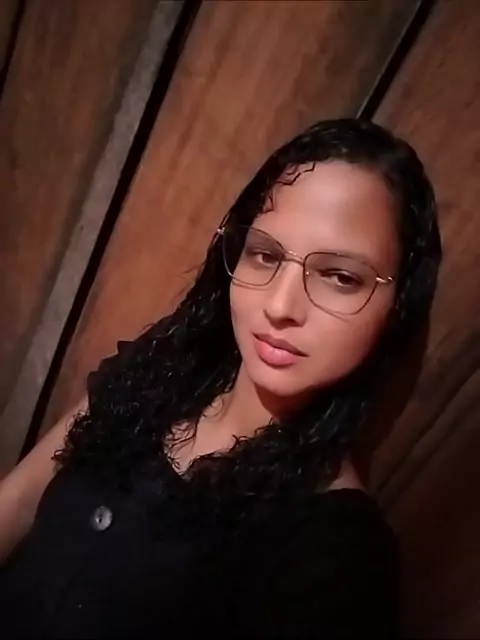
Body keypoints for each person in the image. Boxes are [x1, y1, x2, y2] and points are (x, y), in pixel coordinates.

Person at [0, 118, 441, 638]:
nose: (279, 306)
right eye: (265, 255)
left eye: (340, 277)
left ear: (397, 306)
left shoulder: (333, 555)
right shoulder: (160, 370)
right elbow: (22, 496)